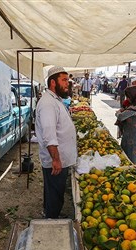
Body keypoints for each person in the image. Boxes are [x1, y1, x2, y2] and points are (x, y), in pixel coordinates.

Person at [35, 66, 77, 219]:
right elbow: (49, 135)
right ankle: (51, 223)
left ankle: (49, 213)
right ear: (53, 82)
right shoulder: (48, 104)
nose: (68, 83)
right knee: (55, 195)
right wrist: (56, 159)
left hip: (60, 159)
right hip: (56, 161)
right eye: (64, 80)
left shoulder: (55, 99)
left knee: (53, 191)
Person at [114, 77, 136, 164]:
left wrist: (118, 112)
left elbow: (121, 117)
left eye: (129, 97)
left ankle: (132, 174)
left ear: (134, 95)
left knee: (130, 159)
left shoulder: (135, 107)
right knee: (126, 156)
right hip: (132, 134)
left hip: (132, 136)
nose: (128, 99)